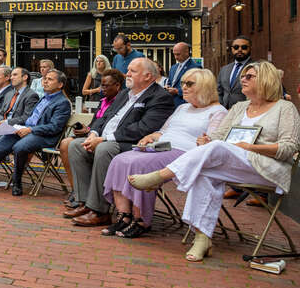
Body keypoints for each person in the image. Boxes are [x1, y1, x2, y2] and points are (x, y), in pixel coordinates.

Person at [128, 61, 300, 262]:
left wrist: (250, 148)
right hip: (234, 163)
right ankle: (202, 239)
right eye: (243, 76)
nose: (242, 80)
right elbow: (219, 136)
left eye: (249, 77)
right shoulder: (239, 107)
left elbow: (288, 148)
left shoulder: (285, 108)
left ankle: (160, 177)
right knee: (204, 170)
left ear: (266, 80)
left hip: (266, 167)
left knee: (215, 150)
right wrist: (207, 140)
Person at [101, 69, 227, 238]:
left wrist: (206, 140)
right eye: (183, 83)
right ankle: (124, 216)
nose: (184, 87)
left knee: (139, 165)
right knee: (120, 160)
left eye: (189, 84)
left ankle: (141, 220)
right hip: (162, 146)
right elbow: (162, 131)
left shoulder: (218, 111)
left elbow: (212, 142)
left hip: (185, 152)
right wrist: (150, 137)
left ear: (205, 86)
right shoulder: (182, 107)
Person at [65, 58, 175, 226]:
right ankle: (85, 202)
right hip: (105, 139)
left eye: (132, 71)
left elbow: (143, 128)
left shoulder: (160, 97)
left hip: (131, 144)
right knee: (75, 145)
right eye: (128, 70)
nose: (127, 74)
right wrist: (93, 133)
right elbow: (105, 117)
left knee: (104, 149)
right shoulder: (124, 94)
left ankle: (99, 210)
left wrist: (104, 138)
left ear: (148, 76)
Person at [61, 68, 125, 208]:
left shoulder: (120, 102)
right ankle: (77, 191)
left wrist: (92, 132)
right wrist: (88, 129)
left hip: (107, 140)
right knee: (66, 143)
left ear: (118, 86)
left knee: (71, 145)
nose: (102, 88)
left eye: (106, 85)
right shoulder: (103, 101)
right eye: (101, 85)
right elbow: (97, 122)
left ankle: (86, 196)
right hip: (93, 134)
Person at [217, 36, 252, 109]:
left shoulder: (256, 68)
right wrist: (220, 108)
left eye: (244, 47)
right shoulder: (224, 69)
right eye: (236, 47)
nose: (240, 50)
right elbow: (219, 92)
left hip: (246, 111)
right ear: (232, 49)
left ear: (250, 48)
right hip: (225, 112)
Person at [165, 42, 199, 106]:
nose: (176, 57)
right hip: (171, 104)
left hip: (185, 104)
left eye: (178, 54)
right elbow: (169, 82)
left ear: (186, 52)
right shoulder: (173, 67)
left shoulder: (194, 67)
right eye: (174, 54)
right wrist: (167, 87)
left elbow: (196, 87)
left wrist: (177, 91)